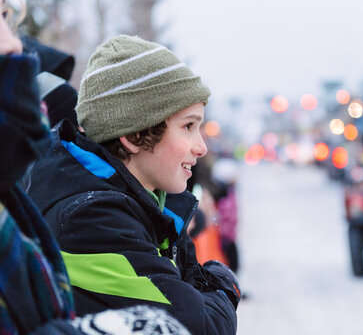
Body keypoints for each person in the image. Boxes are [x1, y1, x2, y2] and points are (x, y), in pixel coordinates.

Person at [27, 35, 240, 334]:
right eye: (188, 126)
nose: (201, 147)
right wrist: (224, 286)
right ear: (134, 134)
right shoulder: (92, 218)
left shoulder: (145, 201)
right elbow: (197, 326)